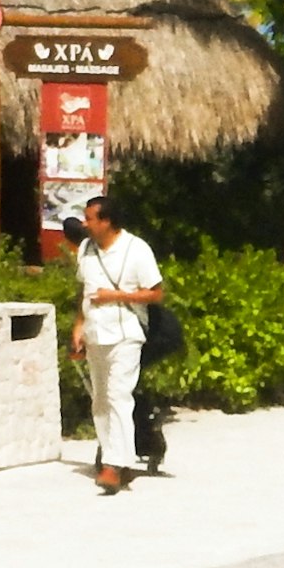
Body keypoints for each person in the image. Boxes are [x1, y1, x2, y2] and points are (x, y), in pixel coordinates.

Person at [70, 197, 167, 493]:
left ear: (106, 221)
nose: (85, 224)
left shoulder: (136, 249)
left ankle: (116, 465)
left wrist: (116, 296)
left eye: (90, 219)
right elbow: (83, 292)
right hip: (95, 333)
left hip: (125, 333)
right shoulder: (86, 250)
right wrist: (78, 328)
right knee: (99, 399)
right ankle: (110, 454)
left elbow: (155, 294)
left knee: (118, 397)